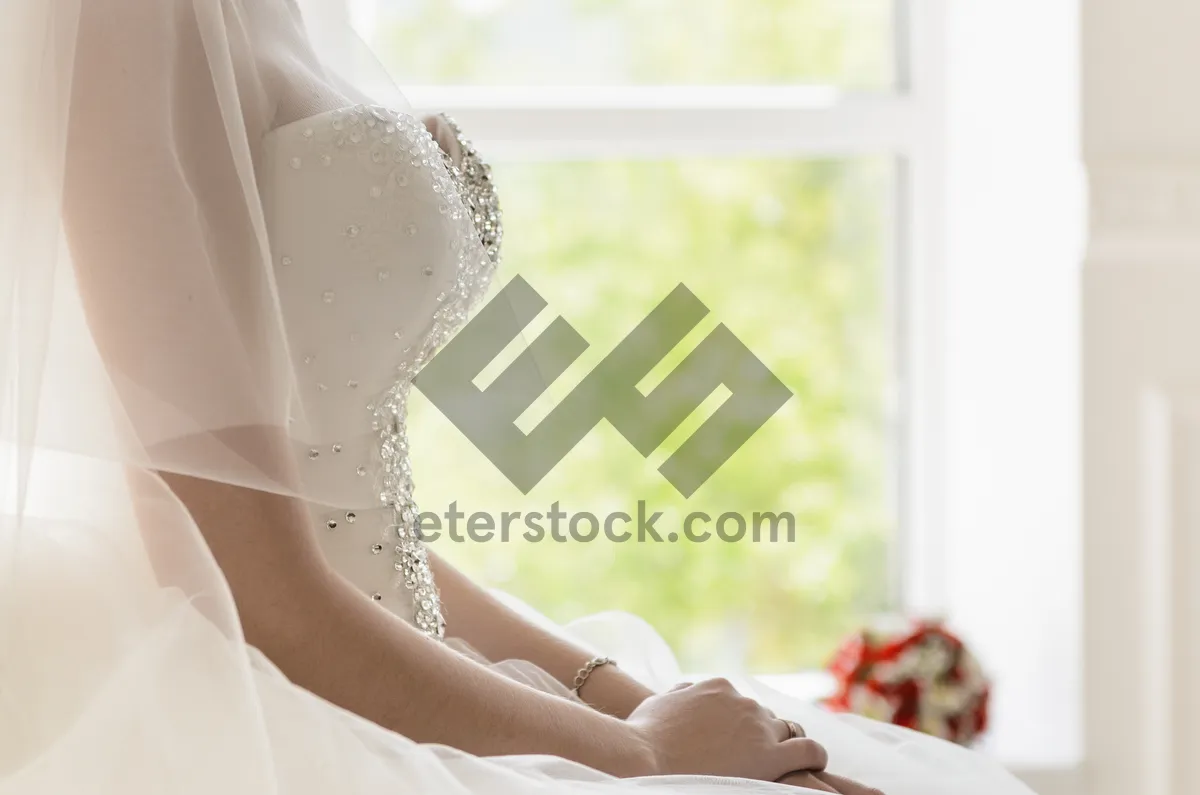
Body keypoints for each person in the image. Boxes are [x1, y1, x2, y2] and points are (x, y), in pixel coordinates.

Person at [0, 1, 1034, 794]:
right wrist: (635, 753)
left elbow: (348, 516)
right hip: (287, 713)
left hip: (418, 671)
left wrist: (639, 702)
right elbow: (250, 578)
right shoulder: (128, 22)